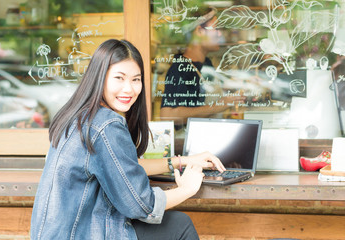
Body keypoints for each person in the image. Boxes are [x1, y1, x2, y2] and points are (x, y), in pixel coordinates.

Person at [30, 39, 225, 240]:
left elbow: (120, 168)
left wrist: (180, 161)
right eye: (119, 78)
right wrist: (188, 188)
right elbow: (141, 205)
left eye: (136, 79)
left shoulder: (79, 115)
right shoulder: (106, 124)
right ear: (100, 78)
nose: (129, 89)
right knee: (180, 225)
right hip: (84, 233)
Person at [160, 7, 244, 129]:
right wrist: (221, 104)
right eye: (216, 28)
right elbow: (168, 115)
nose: (220, 34)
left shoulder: (207, 63)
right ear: (199, 31)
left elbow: (206, 93)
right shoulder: (181, 68)